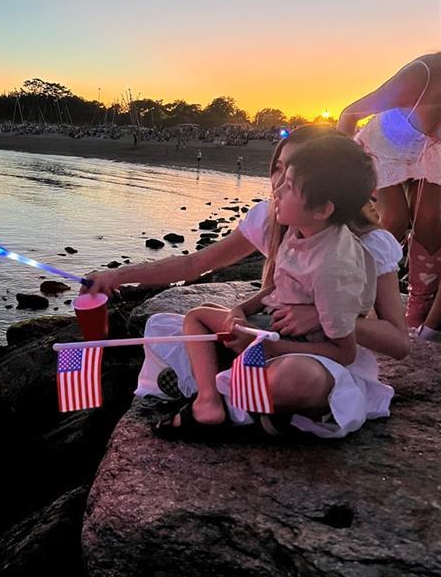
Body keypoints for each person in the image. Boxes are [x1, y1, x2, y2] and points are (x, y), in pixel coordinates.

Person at [82, 125, 409, 436]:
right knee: (167, 327)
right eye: (278, 168)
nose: (279, 183)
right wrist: (116, 276)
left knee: (298, 378)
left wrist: (323, 314)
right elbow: (197, 262)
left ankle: (215, 400)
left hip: (317, 358)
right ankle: (239, 402)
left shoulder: (368, 245)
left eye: (292, 174)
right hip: (265, 333)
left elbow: (398, 342)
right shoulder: (275, 221)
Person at [337, 52, 441, 340]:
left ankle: (420, 305)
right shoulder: (422, 75)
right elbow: (350, 114)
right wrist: (344, 172)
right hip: (388, 147)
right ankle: (354, 291)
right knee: (393, 221)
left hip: (433, 154)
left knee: (430, 219)